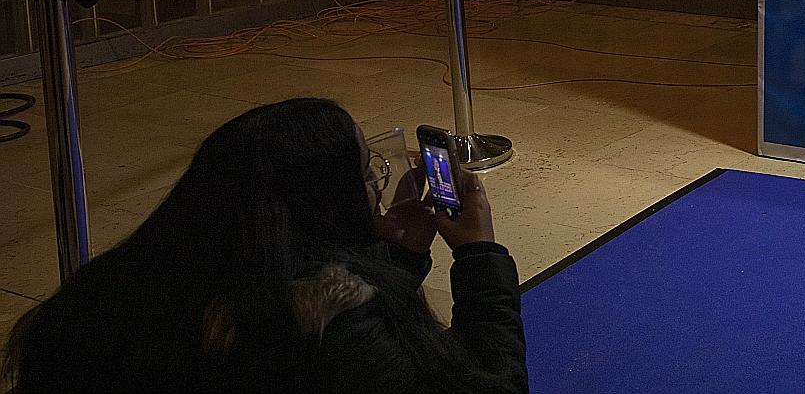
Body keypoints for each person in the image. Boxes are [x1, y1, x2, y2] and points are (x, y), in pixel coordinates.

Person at [2, 98, 528, 394]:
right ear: (324, 206)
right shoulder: (326, 329)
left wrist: (397, 260)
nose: (378, 189)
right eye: (368, 176)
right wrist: (479, 256)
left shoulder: (103, 299)